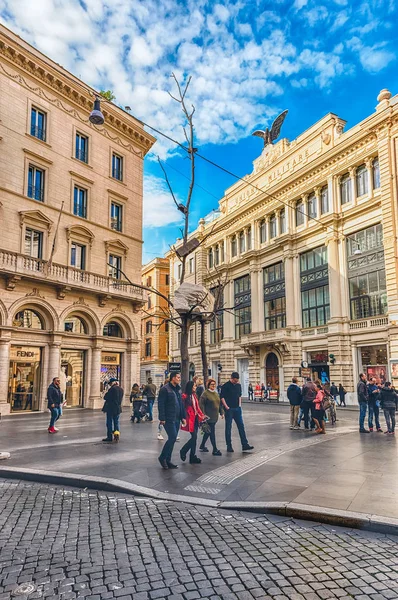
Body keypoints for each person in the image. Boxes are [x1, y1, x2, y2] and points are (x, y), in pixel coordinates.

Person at [158, 371, 186, 469]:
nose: (179, 379)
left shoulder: (178, 390)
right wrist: (162, 418)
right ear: (173, 378)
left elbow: (181, 404)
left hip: (177, 418)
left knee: (173, 439)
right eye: (178, 377)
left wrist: (183, 417)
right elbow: (161, 404)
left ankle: (168, 460)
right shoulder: (164, 389)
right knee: (173, 437)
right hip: (168, 418)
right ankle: (162, 457)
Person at [220, 372, 254, 453]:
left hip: (237, 408)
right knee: (228, 427)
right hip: (229, 409)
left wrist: (239, 405)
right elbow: (222, 397)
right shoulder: (225, 386)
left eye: (237, 380)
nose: (236, 382)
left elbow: (239, 395)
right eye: (235, 380)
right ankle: (229, 445)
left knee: (241, 426)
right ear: (231, 378)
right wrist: (226, 407)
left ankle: (244, 444)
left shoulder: (238, 385)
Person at [180, 381, 205, 464]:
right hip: (189, 419)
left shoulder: (194, 396)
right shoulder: (184, 396)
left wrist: (202, 416)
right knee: (194, 437)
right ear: (190, 387)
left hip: (195, 419)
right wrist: (183, 418)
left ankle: (192, 456)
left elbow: (197, 408)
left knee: (194, 438)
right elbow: (182, 408)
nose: (195, 387)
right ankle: (184, 450)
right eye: (194, 386)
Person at [199, 378, 223, 456]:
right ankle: (215, 449)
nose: (213, 386)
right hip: (208, 417)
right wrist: (203, 415)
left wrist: (221, 412)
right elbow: (201, 405)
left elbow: (219, 404)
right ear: (208, 385)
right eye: (212, 384)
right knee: (212, 433)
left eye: (214, 384)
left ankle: (202, 446)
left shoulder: (216, 393)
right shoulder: (205, 394)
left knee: (208, 432)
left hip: (214, 417)